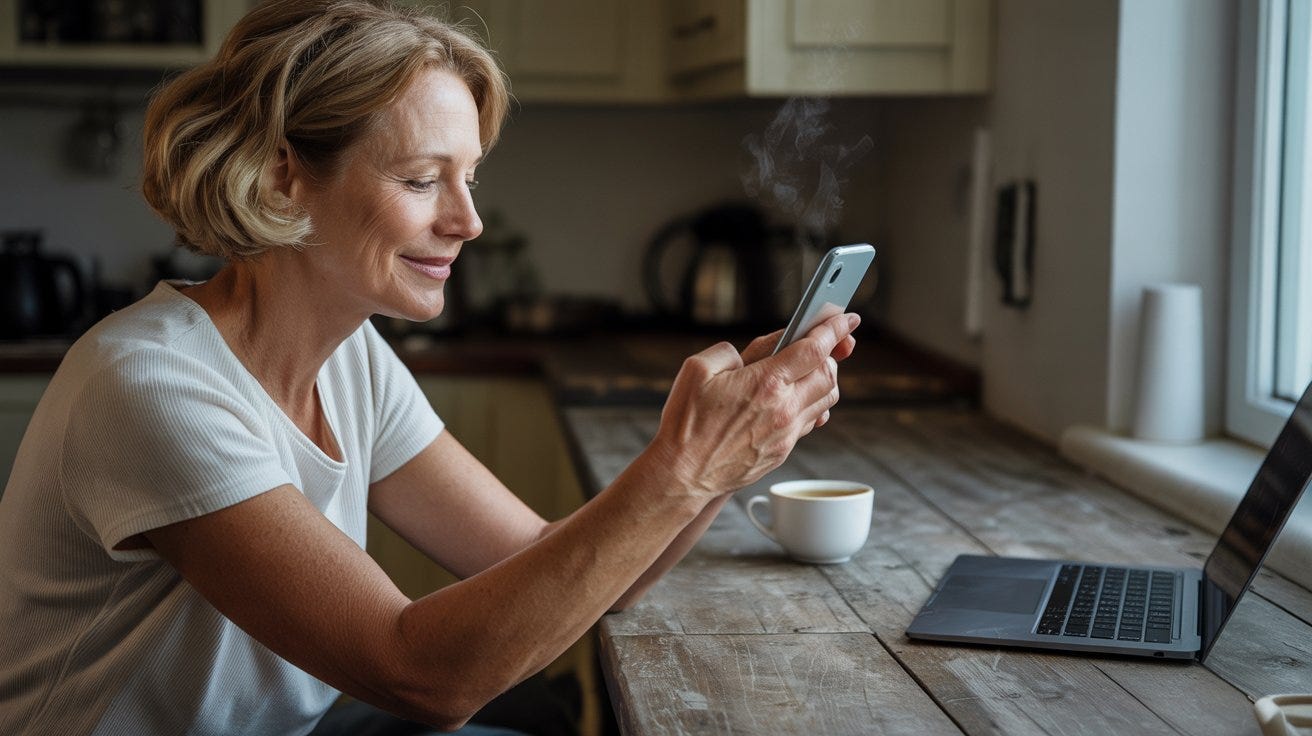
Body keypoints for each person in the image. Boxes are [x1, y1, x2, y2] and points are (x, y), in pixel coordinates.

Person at [0, 1, 860, 734]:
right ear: (281, 176)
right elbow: (418, 672)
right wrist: (686, 465)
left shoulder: (352, 359)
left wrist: (729, 453)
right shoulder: (152, 387)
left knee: (547, 711)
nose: (470, 221)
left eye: (470, 179)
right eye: (421, 180)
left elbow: (563, 565)